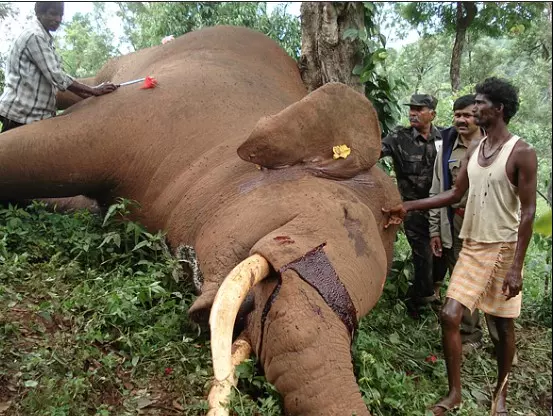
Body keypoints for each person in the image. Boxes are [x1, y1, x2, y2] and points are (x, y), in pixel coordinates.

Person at [383, 77, 537, 415]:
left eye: (480, 103)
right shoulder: (475, 151)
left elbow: (528, 212)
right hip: (472, 245)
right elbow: (453, 194)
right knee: (450, 314)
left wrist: (516, 267)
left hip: (504, 249)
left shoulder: (521, 152)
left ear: (498, 109)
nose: (474, 108)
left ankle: (500, 393)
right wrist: (408, 206)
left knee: (501, 327)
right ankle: (455, 394)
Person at [0, 2, 118, 133]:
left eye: (61, 15)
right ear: (39, 13)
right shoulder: (35, 36)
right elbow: (57, 77)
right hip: (20, 116)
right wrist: (93, 91)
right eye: (53, 14)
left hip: (33, 117)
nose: (58, 19)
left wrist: (88, 95)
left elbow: (57, 80)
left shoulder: (45, 38)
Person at [429, 94, 488, 353]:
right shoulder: (447, 146)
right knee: (460, 275)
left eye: (467, 115)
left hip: (487, 223)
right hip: (457, 220)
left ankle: (501, 337)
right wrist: (435, 229)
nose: (461, 120)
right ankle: (470, 332)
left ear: (479, 117)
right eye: (457, 115)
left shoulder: (492, 145)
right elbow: (436, 190)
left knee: (490, 279)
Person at [381, 93, 443, 316]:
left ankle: (432, 291)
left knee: (441, 254)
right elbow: (375, 151)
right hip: (413, 208)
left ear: (432, 114)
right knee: (423, 254)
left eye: (419, 109)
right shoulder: (399, 137)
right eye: (411, 109)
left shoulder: (444, 138)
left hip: (440, 207)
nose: (413, 113)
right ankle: (419, 303)